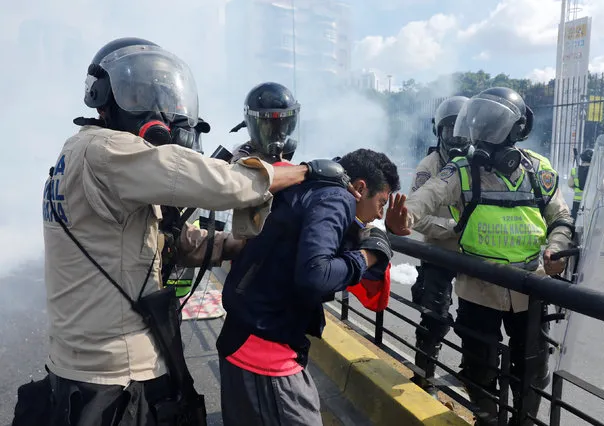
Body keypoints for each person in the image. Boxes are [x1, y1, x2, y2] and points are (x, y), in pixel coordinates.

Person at [15, 37, 355, 426]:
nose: (159, 110)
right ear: (105, 98)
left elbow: (168, 241)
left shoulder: (81, 156)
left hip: (85, 367)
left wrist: (234, 246)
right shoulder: (107, 151)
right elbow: (227, 185)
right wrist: (307, 172)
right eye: (140, 95)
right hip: (117, 375)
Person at [385, 87, 574, 426]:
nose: (482, 136)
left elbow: (560, 217)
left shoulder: (539, 170)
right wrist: (404, 217)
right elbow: (427, 197)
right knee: (478, 365)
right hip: (478, 287)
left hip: (530, 287)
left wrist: (557, 248)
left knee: (532, 369)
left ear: (517, 129)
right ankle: (487, 419)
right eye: (479, 126)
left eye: (492, 126)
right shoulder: (460, 169)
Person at [217, 148, 401, 426]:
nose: (379, 214)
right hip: (265, 353)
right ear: (361, 188)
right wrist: (369, 255)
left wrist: (373, 235)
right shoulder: (336, 198)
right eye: (382, 202)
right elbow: (317, 275)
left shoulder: (311, 190)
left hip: (245, 337)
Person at [408, 95, 470, 395]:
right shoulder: (429, 165)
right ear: (439, 132)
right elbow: (414, 217)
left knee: (476, 324)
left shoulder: (479, 165)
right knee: (434, 319)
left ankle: (472, 376)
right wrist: (450, 229)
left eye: (463, 132)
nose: (457, 139)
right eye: (450, 132)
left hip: (473, 255)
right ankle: (424, 376)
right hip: (438, 251)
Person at [568, 148, 593, 219]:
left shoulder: (575, 170)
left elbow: (570, 184)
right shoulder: (595, 172)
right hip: (590, 202)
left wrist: (576, 187)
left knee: (575, 221)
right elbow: (603, 188)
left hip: (577, 202)